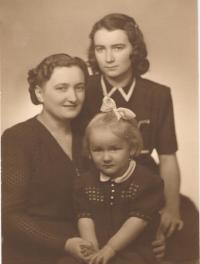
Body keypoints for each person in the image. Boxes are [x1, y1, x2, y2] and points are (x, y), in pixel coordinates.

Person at [84, 13, 199, 263]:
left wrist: (171, 208)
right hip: (96, 184)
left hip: (147, 185)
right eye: (100, 49)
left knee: (184, 222)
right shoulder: (84, 90)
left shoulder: (157, 94)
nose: (109, 57)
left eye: (118, 47)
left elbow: (167, 157)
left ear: (134, 50)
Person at [1, 53, 94, 264]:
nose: (73, 97)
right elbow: (10, 217)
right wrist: (65, 243)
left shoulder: (89, 135)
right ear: (39, 93)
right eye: (62, 88)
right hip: (35, 253)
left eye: (79, 87)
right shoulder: (18, 138)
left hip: (86, 247)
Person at [74, 96, 164, 264]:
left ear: (132, 148)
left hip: (133, 250)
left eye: (114, 149)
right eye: (98, 150)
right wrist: (91, 247)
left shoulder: (147, 182)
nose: (106, 157)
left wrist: (110, 249)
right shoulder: (85, 182)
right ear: (89, 151)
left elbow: (138, 220)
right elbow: (84, 216)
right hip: (99, 248)